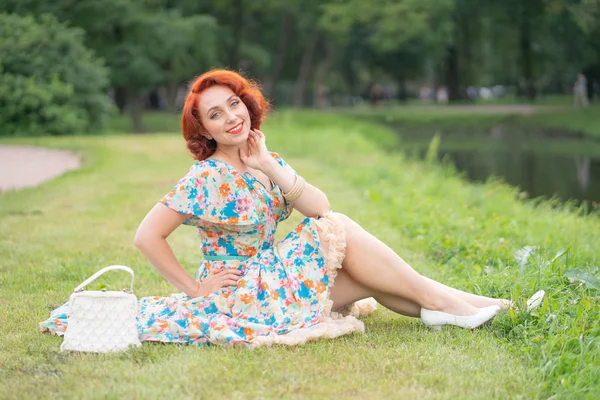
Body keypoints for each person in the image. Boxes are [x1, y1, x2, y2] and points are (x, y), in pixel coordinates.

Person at [40, 70, 542, 348]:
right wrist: (194, 289)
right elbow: (146, 236)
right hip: (242, 294)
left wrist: (270, 166)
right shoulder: (206, 178)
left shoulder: (263, 156)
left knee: (367, 272)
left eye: (234, 104)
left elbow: (317, 207)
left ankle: (479, 309)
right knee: (341, 234)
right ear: (205, 130)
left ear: (247, 104)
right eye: (215, 115)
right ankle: (467, 309)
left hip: (275, 277)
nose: (231, 116)